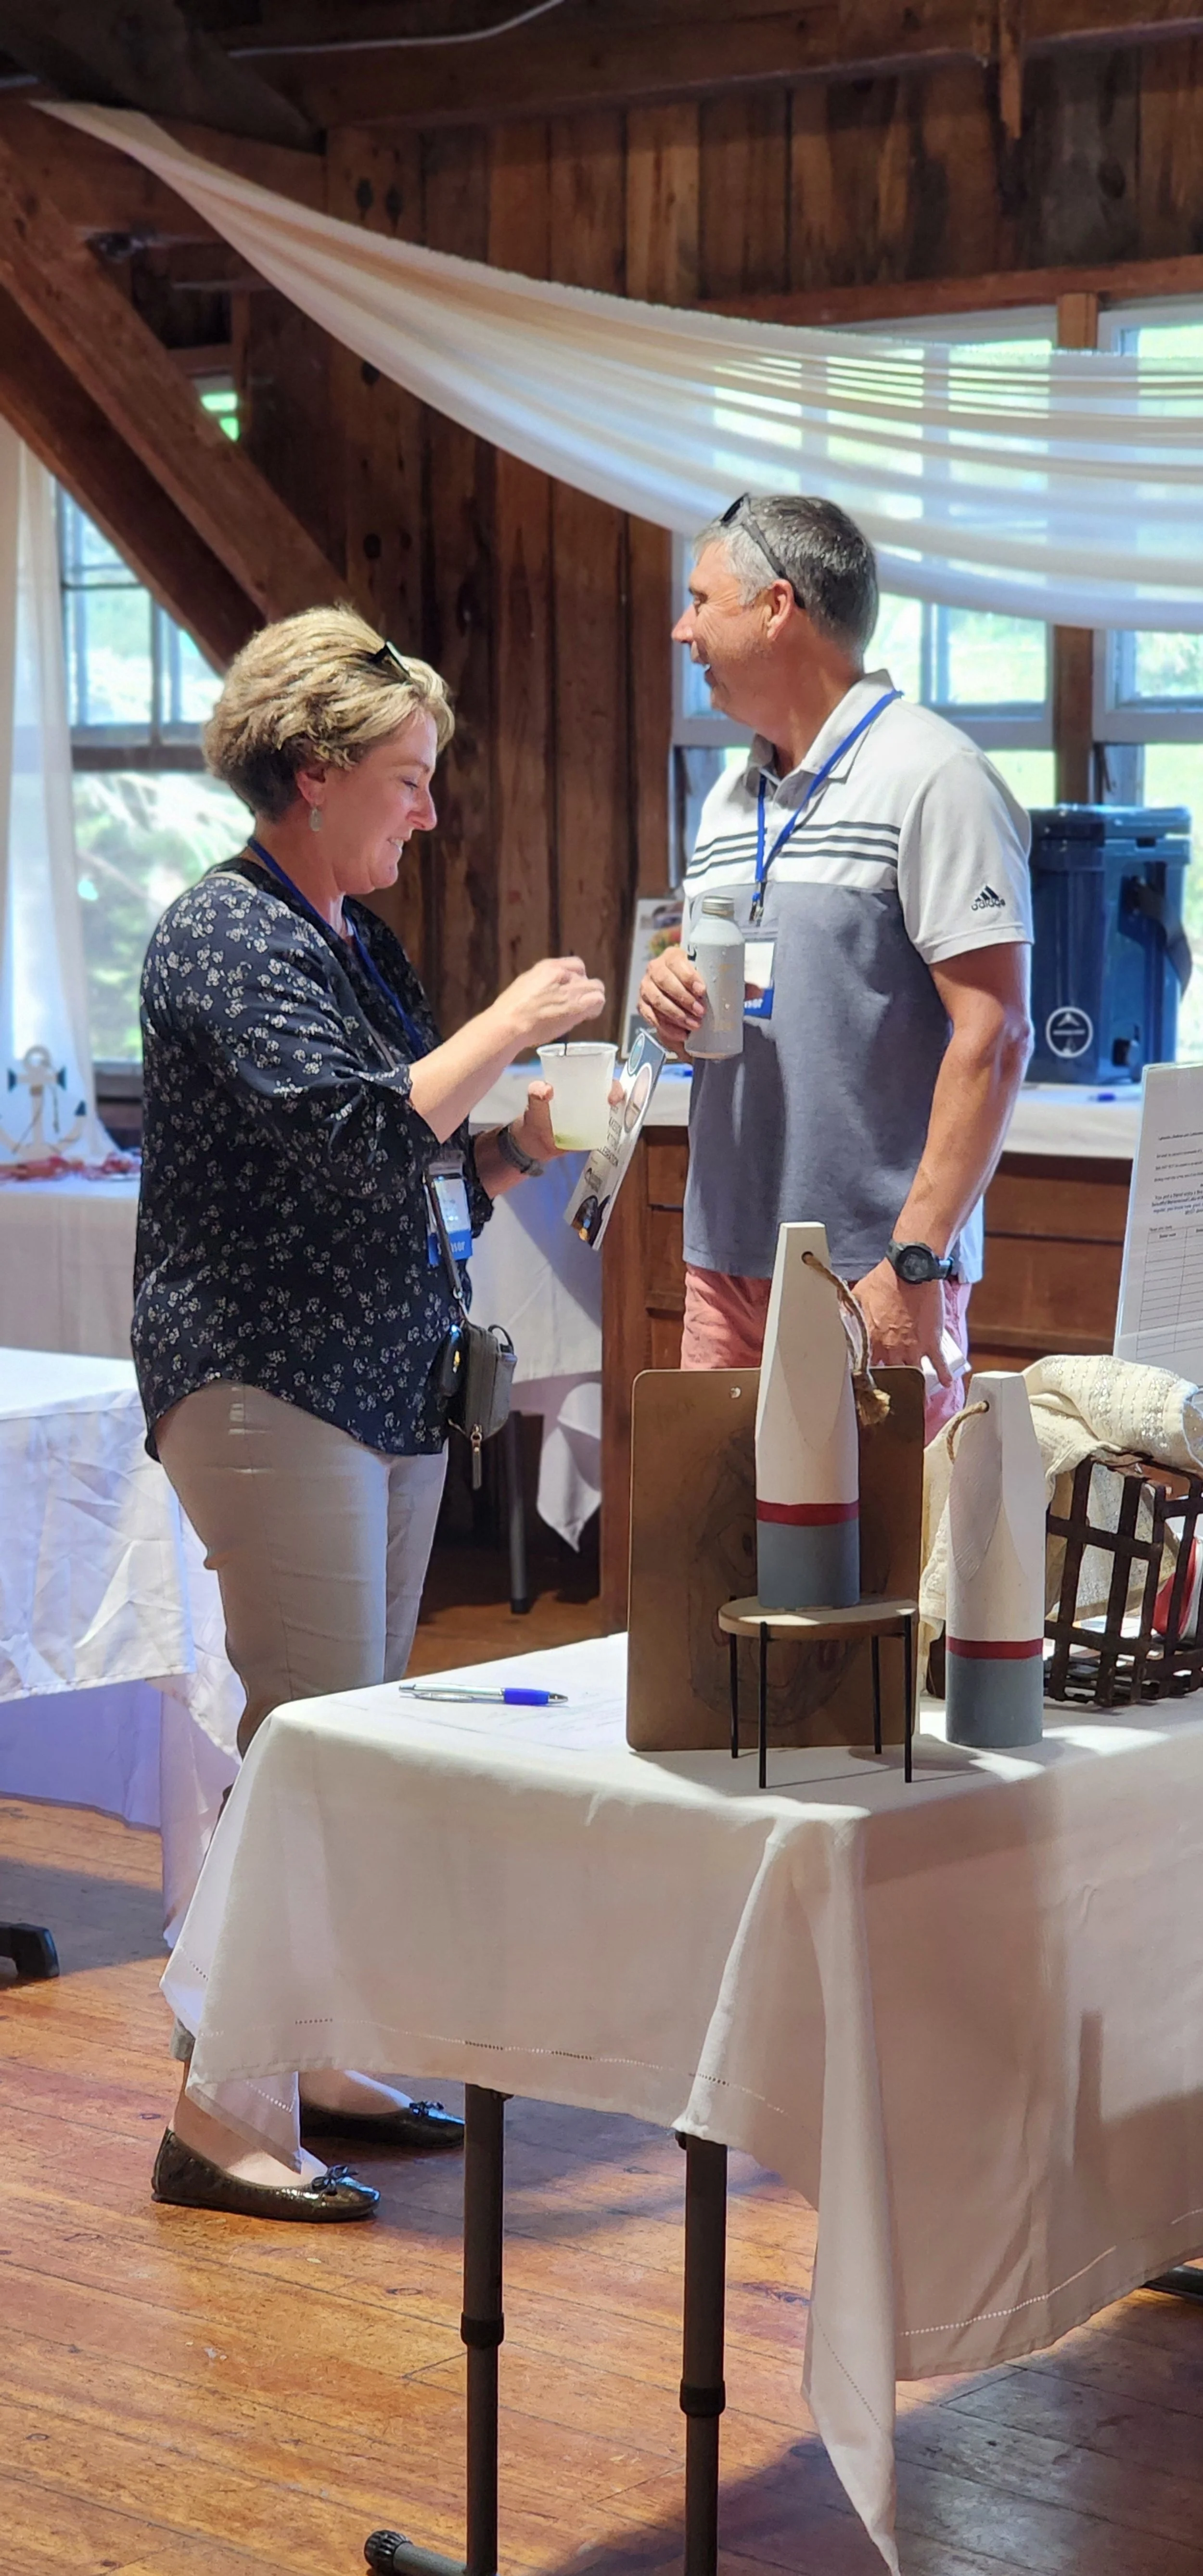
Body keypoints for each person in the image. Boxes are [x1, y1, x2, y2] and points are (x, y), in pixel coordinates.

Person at [138, 606, 606, 2222]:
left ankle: (320, 2056)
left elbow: (412, 1164)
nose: (428, 808)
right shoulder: (227, 936)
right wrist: (511, 1025)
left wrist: (519, 1149)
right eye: (408, 779)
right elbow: (347, 1139)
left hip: (374, 1372)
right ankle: (223, 2107)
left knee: (353, 1735)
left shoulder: (343, 933)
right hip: (268, 1381)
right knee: (311, 1742)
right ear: (317, 771)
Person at [639, 495, 1034, 1431]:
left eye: (700, 600)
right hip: (722, 1262)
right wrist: (668, 1003)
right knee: (718, 1567)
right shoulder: (729, 799)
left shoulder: (935, 777)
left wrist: (912, 1263)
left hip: (872, 1273)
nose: (679, 627)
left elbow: (996, 1035)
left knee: (884, 1577)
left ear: (776, 607)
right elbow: (739, 1014)